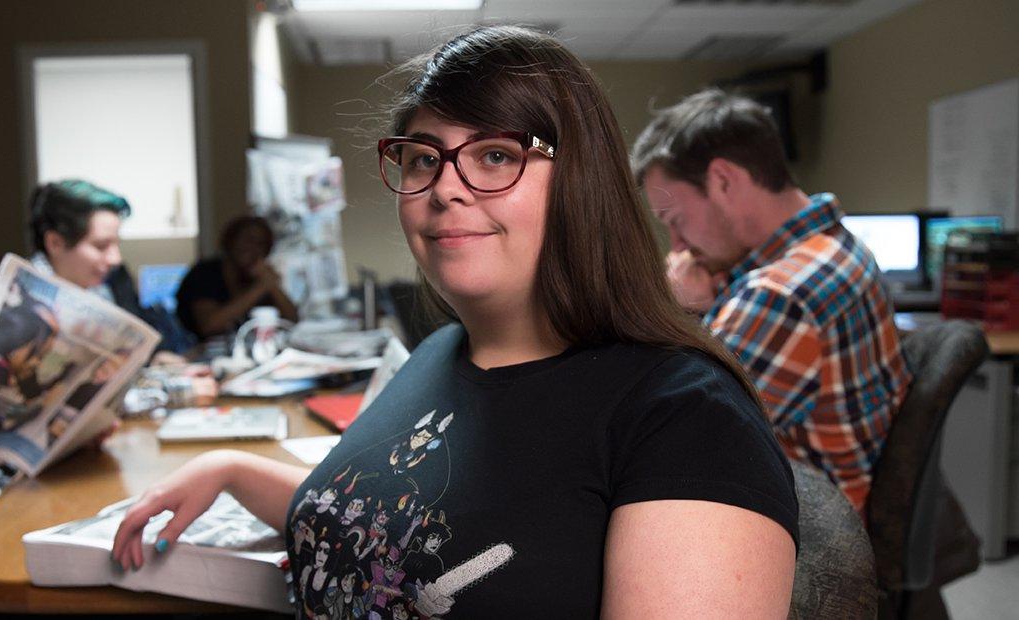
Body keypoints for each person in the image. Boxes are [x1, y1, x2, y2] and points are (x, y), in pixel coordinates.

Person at [112, 25, 798, 617]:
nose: (444, 186)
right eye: (421, 159)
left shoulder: (686, 421)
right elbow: (393, 521)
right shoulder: (442, 353)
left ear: (581, 181)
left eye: (495, 155)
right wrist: (232, 468)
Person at [631, 89, 911, 512]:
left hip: (819, 528)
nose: (678, 246)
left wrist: (677, 312)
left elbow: (671, 445)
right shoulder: (838, 245)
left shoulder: (780, 297)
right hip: (845, 495)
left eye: (676, 221)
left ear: (724, 181)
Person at [28, 179, 191, 356]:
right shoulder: (24, 298)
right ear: (55, 243)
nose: (115, 259)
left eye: (116, 245)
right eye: (101, 246)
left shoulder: (104, 287)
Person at [174, 215, 299, 339]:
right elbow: (210, 325)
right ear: (231, 240)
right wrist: (260, 287)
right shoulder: (204, 273)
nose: (252, 248)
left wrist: (272, 286)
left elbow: (292, 321)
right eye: (247, 239)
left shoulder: (256, 275)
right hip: (197, 352)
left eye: (260, 243)